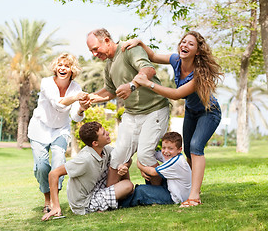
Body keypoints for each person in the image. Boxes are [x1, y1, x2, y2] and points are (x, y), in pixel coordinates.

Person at [123, 31, 223, 207]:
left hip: (209, 112)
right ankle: (192, 189)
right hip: (192, 111)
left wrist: (149, 84)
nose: (184, 45)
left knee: (195, 148)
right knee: (188, 152)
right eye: (183, 42)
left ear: (198, 51)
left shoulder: (198, 74)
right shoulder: (176, 60)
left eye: (190, 44)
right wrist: (140, 42)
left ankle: (194, 196)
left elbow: (177, 94)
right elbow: (152, 56)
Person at [86, 28, 170, 186]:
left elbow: (148, 70)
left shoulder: (129, 49)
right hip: (132, 115)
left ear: (106, 40)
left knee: (145, 156)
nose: (94, 54)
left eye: (95, 49)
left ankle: (163, 191)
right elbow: (110, 92)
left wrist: (132, 85)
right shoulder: (109, 65)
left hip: (155, 110)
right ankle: (109, 199)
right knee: (117, 157)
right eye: (91, 51)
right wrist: (89, 98)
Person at [28, 53, 90, 213]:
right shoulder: (46, 83)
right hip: (39, 128)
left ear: (72, 70)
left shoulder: (76, 88)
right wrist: (75, 97)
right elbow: (57, 104)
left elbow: (75, 117)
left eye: (67, 66)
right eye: (60, 65)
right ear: (55, 67)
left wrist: (82, 107)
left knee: (58, 162)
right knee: (41, 166)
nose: (63, 68)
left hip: (60, 130)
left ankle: (53, 204)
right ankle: (47, 198)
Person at [41, 122, 134, 220]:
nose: (107, 133)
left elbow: (126, 158)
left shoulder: (105, 150)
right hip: (84, 203)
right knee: (127, 185)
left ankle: (117, 199)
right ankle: (107, 204)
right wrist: (55, 206)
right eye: (103, 133)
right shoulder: (84, 159)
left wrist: (124, 166)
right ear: (95, 143)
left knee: (119, 160)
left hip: (97, 189)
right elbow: (53, 174)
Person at [120, 132, 191, 207]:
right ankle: (152, 194)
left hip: (175, 197)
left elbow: (153, 172)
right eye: (164, 148)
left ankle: (121, 204)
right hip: (170, 188)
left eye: (170, 148)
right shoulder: (171, 155)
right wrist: (142, 159)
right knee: (148, 163)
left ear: (179, 149)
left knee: (140, 190)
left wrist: (139, 166)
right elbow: (146, 155)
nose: (166, 151)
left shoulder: (176, 161)